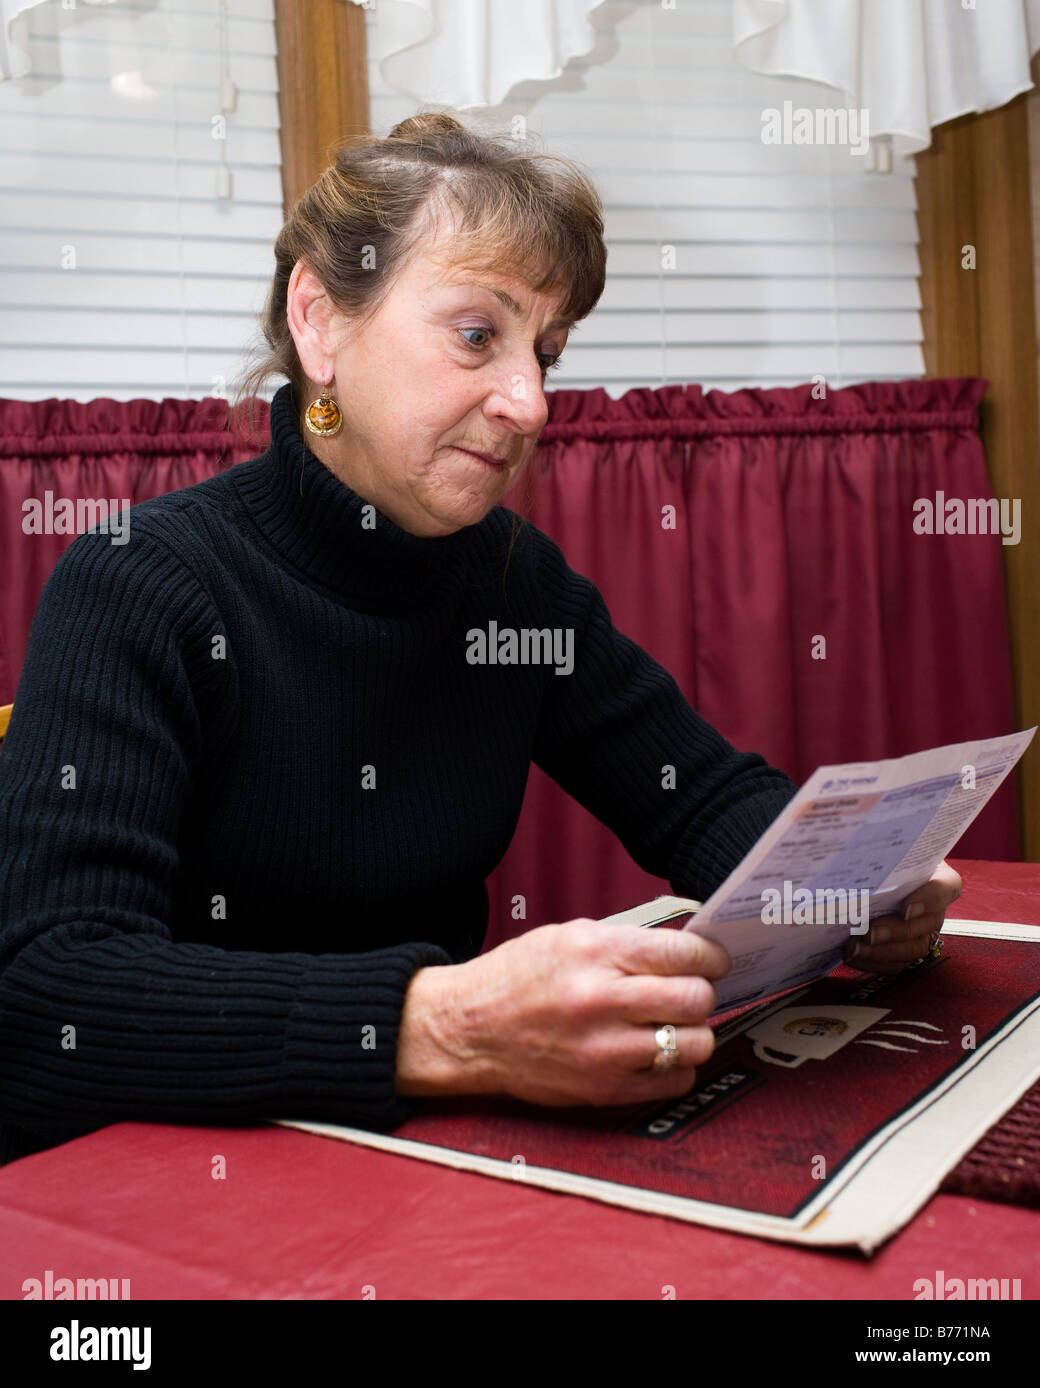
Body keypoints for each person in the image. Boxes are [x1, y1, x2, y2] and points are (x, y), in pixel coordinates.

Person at [0, 112, 959, 1166]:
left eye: (544, 352)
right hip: (169, 1168)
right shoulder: (139, 581)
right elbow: (50, 998)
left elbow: (702, 796)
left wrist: (847, 884)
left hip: (417, 1156)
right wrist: (444, 1022)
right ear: (318, 320)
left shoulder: (512, 584)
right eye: (475, 335)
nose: (530, 402)